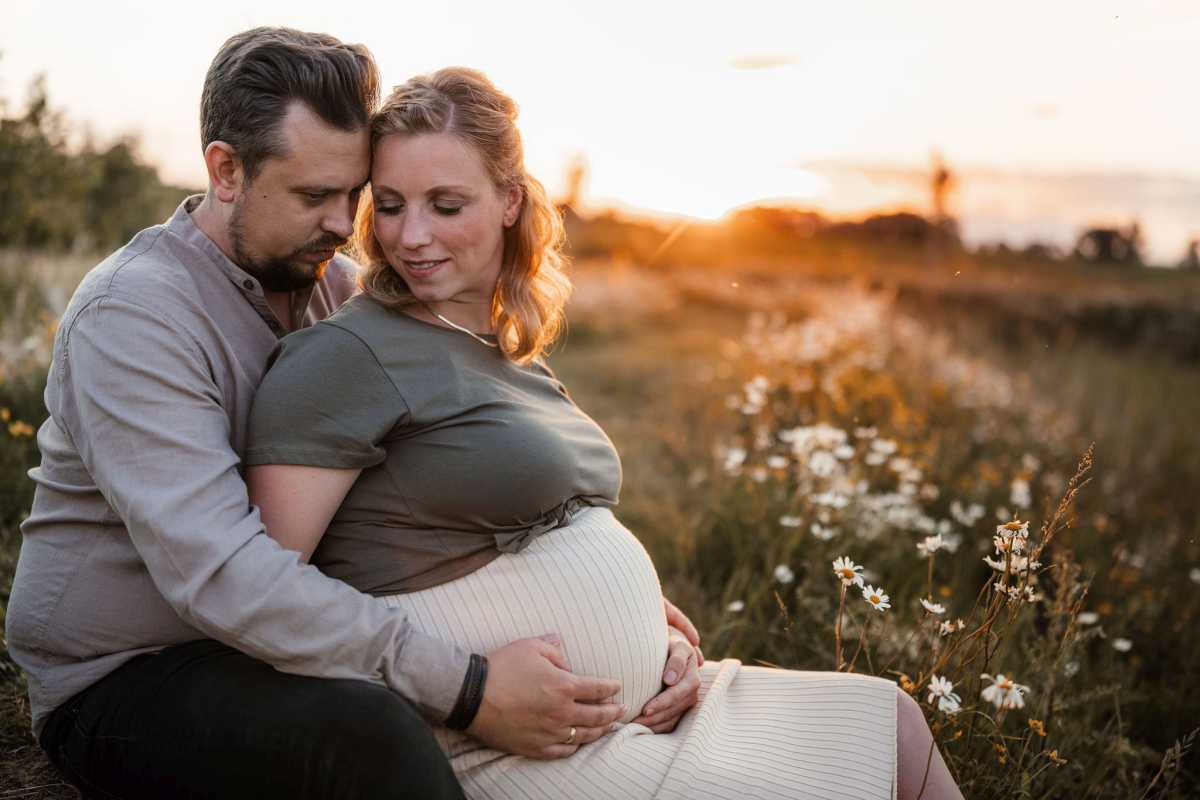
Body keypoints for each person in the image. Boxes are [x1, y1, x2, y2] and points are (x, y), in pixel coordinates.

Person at [5, 28, 701, 799]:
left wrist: (633, 614)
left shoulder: (334, 284)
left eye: (355, 195)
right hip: (138, 671)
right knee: (369, 738)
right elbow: (223, 578)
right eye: (313, 196)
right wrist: (469, 686)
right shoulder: (134, 316)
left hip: (276, 638)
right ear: (226, 170)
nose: (346, 225)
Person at [243, 68, 965, 799]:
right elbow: (266, 594)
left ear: (509, 202)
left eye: (446, 204)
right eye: (391, 206)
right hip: (503, 747)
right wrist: (465, 692)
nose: (411, 235)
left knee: (894, 725)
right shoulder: (343, 357)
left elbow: (550, 522)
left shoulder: (500, 345)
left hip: (639, 709)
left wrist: (658, 636)